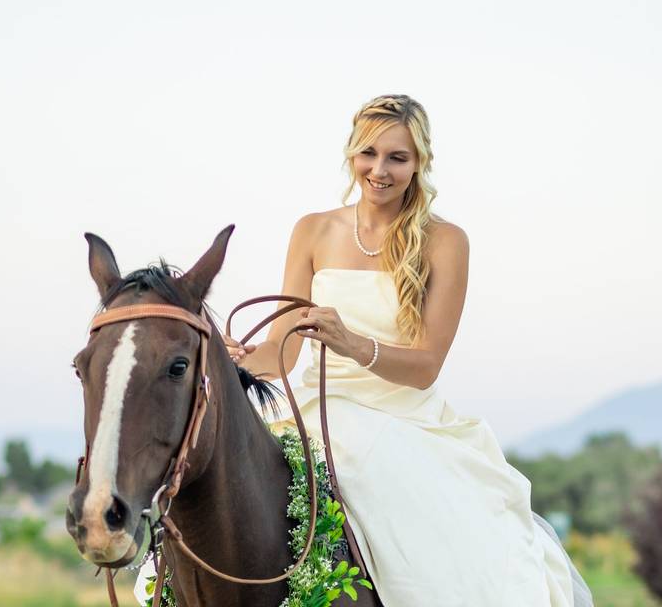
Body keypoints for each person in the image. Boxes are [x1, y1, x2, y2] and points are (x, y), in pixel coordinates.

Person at [224, 94, 593, 606]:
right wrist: (234, 358)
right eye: (368, 154)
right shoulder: (312, 230)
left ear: (420, 163)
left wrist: (352, 344)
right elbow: (281, 354)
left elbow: (425, 367)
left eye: (398, 157)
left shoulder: (445, 242)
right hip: (316, 406)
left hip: (401, 414)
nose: (380, 170)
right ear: (351, 155)